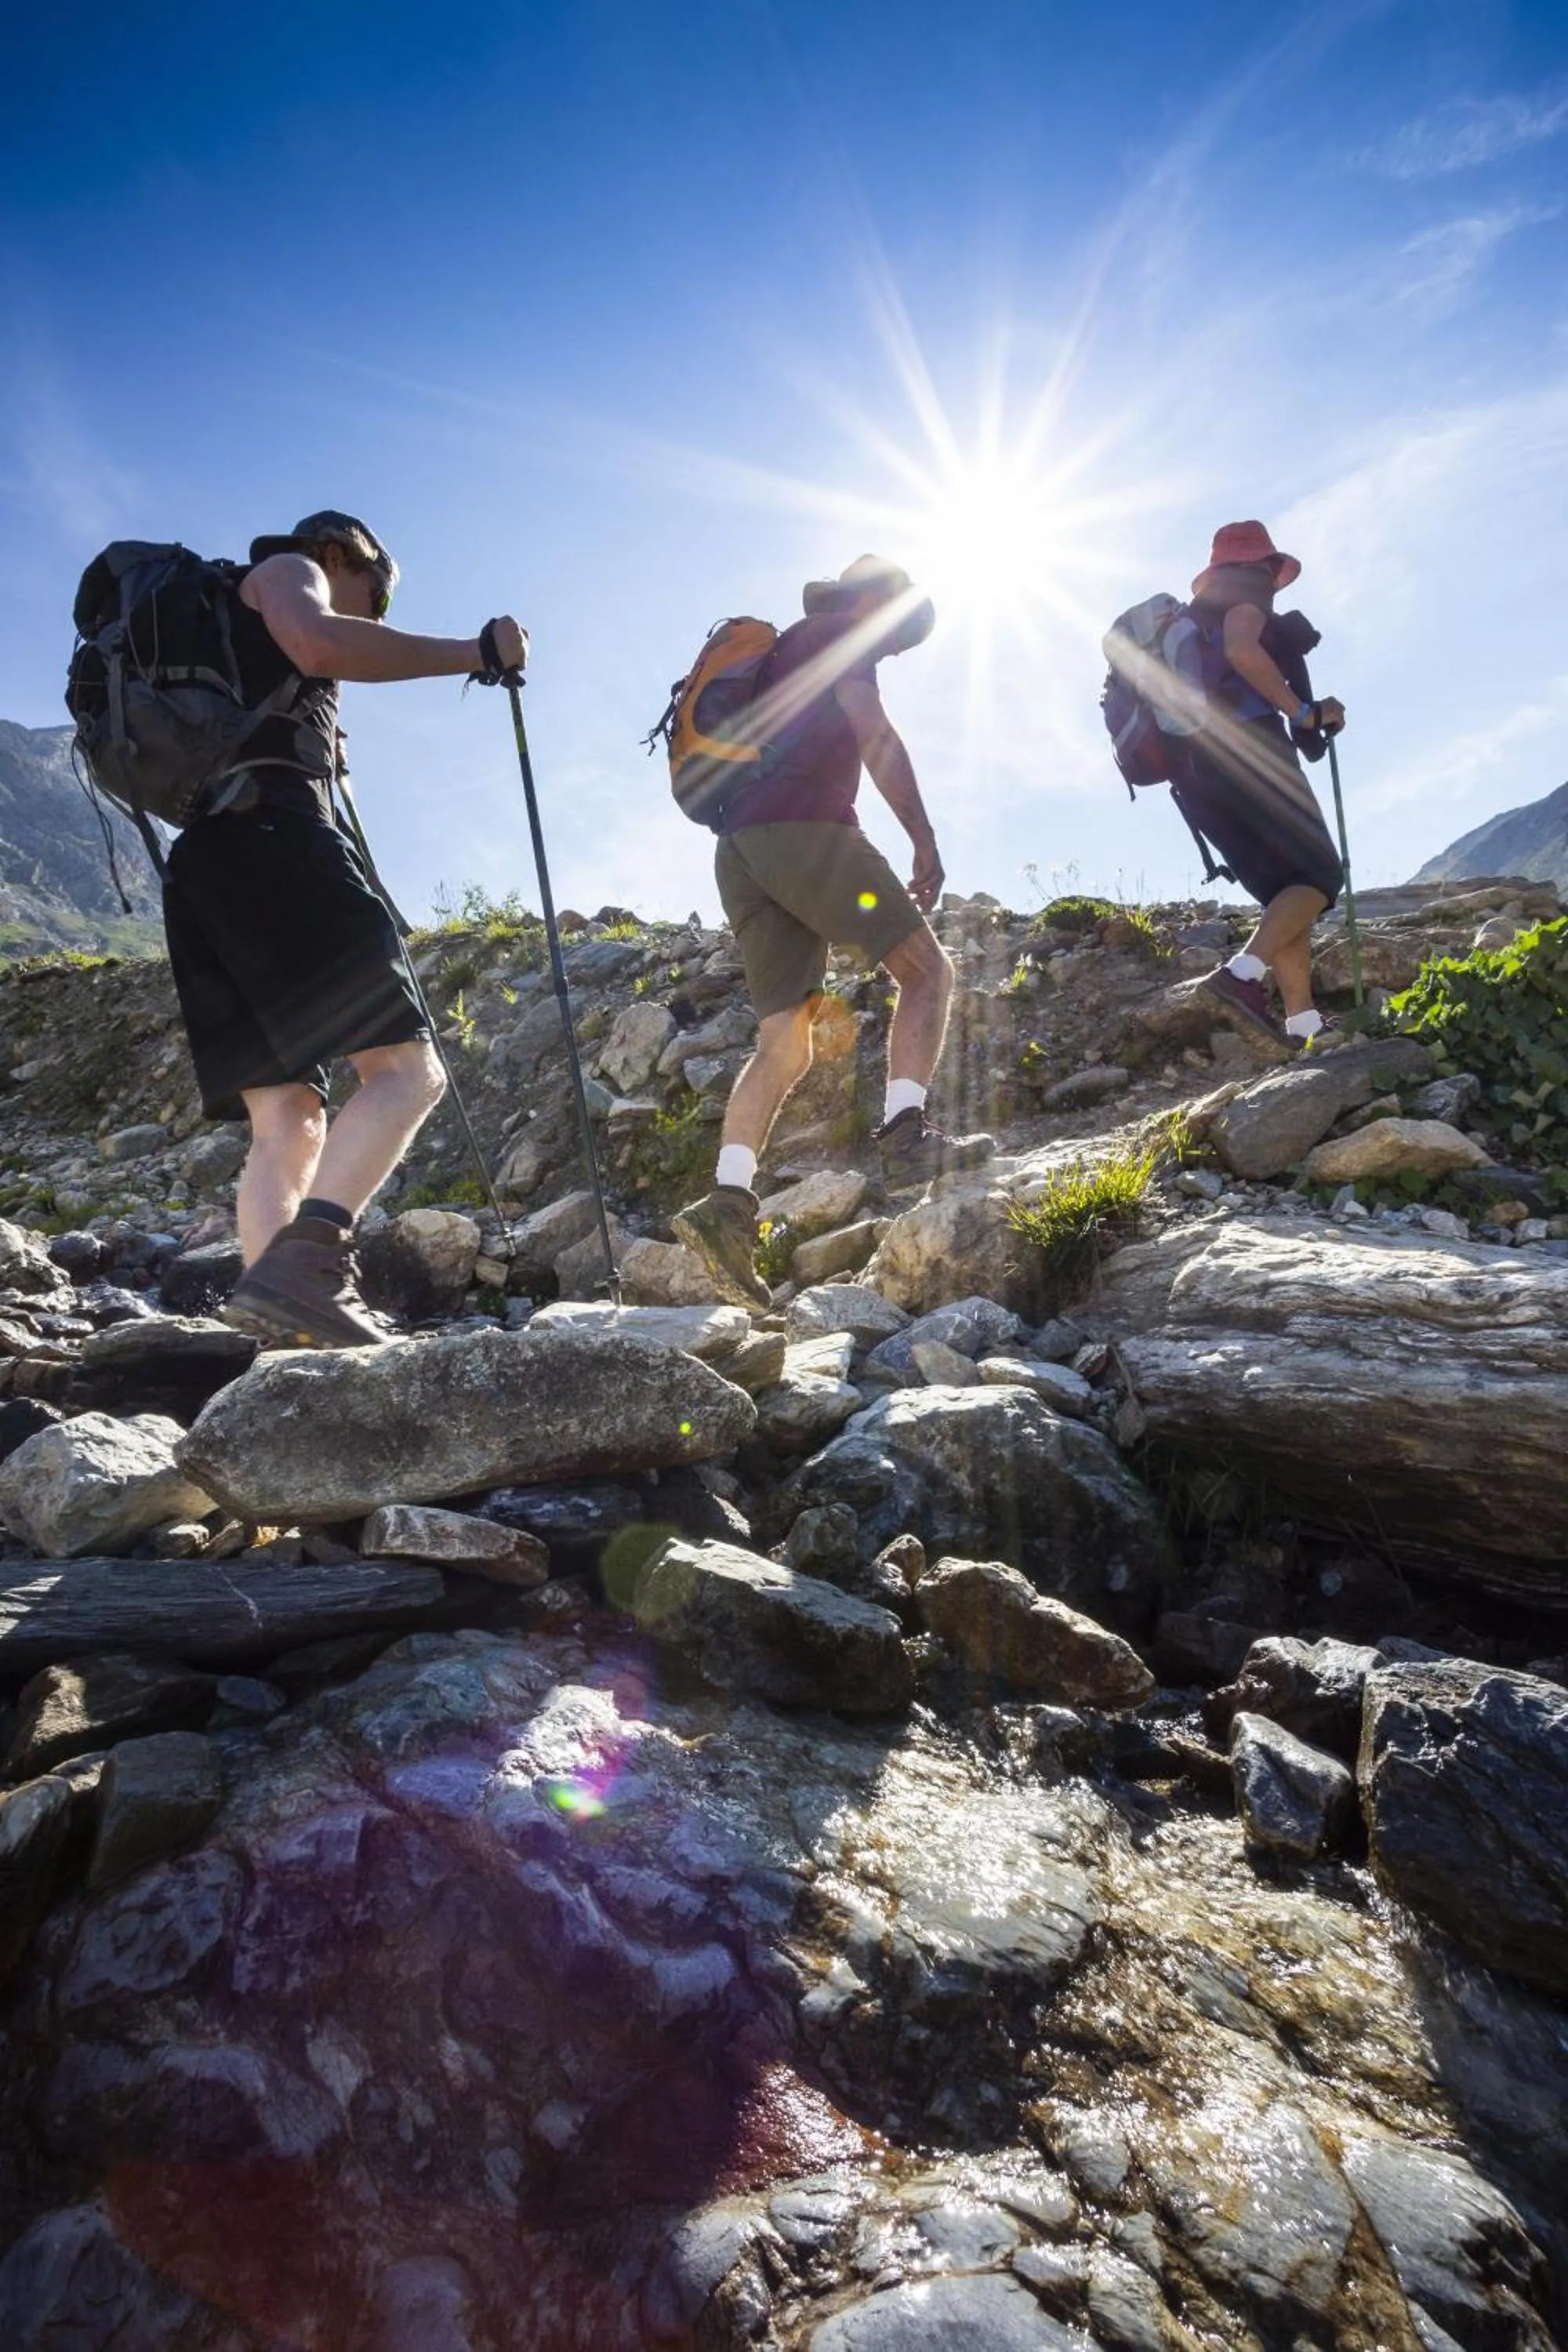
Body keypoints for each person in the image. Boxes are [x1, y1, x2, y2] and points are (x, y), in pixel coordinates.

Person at [158, 509, 528, 1347]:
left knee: (287, 1118)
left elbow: (313, 666)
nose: (377, 615)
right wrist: (477, 652)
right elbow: (323, 643)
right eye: (377, 593)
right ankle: (312, 1262)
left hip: (209, 861)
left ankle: (276, 1325)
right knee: (407, 1072)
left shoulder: (231, 631)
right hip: (274, 837)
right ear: (340, 554)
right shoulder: (292, 571)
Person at [672, 554, 993, 1311]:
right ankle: (908, 1134)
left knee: (785, 1043)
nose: (892, 652)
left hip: (739, 848)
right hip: (805, 829)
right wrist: (924, 839)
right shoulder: (841, 634)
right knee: (927, 972)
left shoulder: (789, 645)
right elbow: (874, 735)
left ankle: (727, 1203)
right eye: (898, 636)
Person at [1168, 521, 1346, 1046]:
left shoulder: (1191, 621)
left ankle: (1302, 1022)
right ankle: (1242, 976)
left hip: (1195, 772)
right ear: (1264, 566)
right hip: (1248, 750)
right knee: (1319, 875)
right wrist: (1304, 712)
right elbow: (1244, 650)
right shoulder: (1246, 593)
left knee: (1285, 890)